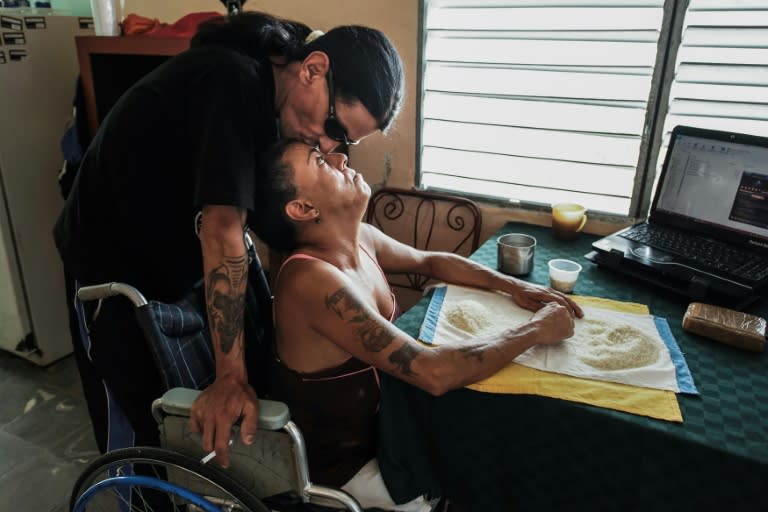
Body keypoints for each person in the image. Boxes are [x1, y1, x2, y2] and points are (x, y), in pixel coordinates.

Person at [52, 11, 404, 467]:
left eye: (345, 143)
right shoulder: (231, 82)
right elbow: (222, 230)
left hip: (176, 258)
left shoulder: (278, 86)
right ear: (314, 69)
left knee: (220, 413)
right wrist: (230, 377)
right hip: (110, 272)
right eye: (335, 128)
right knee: (146, 436)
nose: (330, 147)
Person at [251, 139, 584, 510]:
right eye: (320, 162)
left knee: (486, 435)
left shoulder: (359, 239)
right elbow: (432, 372)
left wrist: (514, 286)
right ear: (302, 207)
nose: (340, 157)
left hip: (391, 426)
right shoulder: (312, 281)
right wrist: (536, 331)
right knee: (480, 462)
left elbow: (430, 262)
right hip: (345, 467)